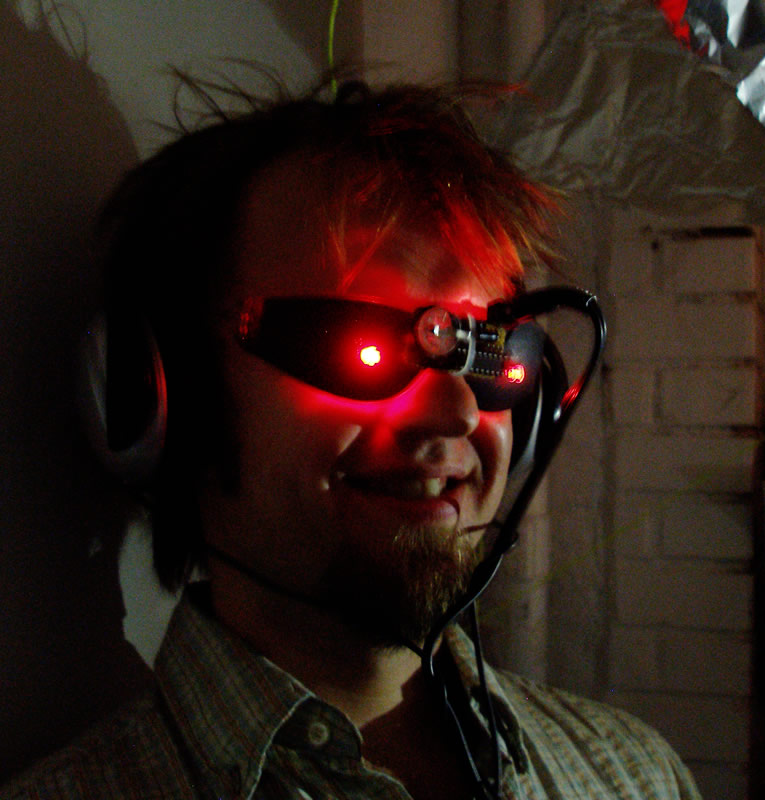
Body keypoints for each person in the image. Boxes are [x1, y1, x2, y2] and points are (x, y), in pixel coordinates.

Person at [2, 78, 702, 800]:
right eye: (355, 346)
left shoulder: (635, 775)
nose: (455, 413)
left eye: (485, 354)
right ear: (174, 400)